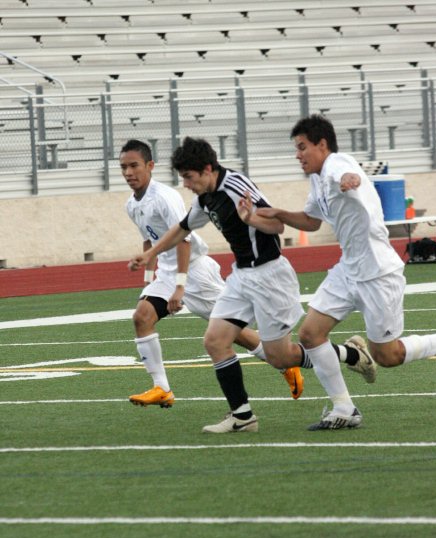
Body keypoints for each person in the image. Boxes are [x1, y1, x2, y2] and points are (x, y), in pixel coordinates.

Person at [128, 136, 373, 432]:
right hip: (242, 276)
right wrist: (150, 254)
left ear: (206, 169)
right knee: (215, 340)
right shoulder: (205, 198)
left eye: (190, 178)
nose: (187, 185)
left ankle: (351, 354)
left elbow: (277, 226)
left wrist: (251, 219)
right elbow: (182, 228)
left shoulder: (235, 186)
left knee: (279, 356)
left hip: (270, 276)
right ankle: (242, 417)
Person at [252, 114, 436, 430]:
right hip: (349, 269)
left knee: (387, 356)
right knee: (310, 333)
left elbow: (348, 174)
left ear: (322, 144)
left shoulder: (336, 164)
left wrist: (350, 180)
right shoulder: (317, 179)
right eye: (296, 148)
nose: (297, 155)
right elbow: (311, 221)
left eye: (302, 147)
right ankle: (344, 408)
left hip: (377, 273)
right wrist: (277, 214)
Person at [120, 139, 303, 408]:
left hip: (195, 272)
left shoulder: (165, 197)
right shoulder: (132, 205)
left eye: (133, 166)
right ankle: (162, 388)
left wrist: (180, 286)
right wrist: (149, 275)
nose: (128, 173)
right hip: (167, 273)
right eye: (123, 167)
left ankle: (284, 365)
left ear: (149, 166)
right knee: (142, 317)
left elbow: (184, 239)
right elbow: (149, 239)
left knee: (233, 333)